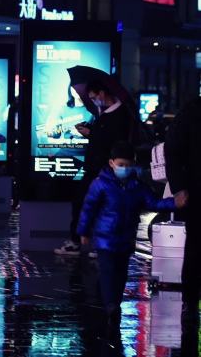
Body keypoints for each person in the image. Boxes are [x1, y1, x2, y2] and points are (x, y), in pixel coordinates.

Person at [77, 141, 184, 336]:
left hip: (125, 240)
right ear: (111, 163)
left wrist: (174, 203)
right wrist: (83, 232)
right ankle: (111, 305)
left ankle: (113, 303)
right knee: (109, 272)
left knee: (120, 275)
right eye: (121, 164)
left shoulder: (138, 187)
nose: (125, 169)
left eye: (128, 164)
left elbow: (154, 203)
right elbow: (88, 208)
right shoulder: (100, 184)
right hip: (105, 239)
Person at [56, 80, 132, 256]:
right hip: (93, 167)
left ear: (102, 94)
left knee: (103, 206)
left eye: (93, 97)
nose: (92, 100)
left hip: (106, 168)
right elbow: (102, 135)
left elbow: (113, 141)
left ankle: (98, 244)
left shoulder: (120, 115)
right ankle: (77, 241)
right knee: (82, 202)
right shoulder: (103, 113)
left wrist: (92, 133)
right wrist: (91, 130)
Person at [164, 96, 201, 328]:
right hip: (198, 193)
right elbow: (173, 151)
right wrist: (179, 188)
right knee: (196, 247)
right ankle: (190, 300)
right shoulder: (192, 110)